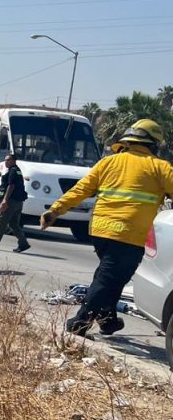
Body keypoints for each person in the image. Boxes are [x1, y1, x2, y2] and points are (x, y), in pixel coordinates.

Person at [41, 119, 173, 337]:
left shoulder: (108, 162)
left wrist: (55, 210)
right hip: (129, 234)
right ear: (153, 144)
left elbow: (81, 189)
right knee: (110, 279)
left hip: (100, 230)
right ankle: (81, 321)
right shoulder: (160, 167)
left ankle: (107, 320)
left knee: (109, 275)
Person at [0, 153, 31, 252]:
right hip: (18, 201)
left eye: (7, 160)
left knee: (0, 221)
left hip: (11, 201)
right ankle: (23, 243)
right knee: (14, 224)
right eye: (5, 160)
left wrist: (5, 200)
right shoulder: (17, 171)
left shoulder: (12, 171)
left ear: (13, 161)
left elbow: (11, 186)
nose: (5, 162)